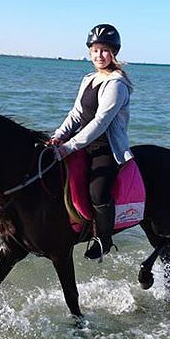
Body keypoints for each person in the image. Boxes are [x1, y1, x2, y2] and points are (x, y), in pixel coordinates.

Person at [49, 24, 134, 260]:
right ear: (89, 52)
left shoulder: (117, 84)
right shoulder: (88, 79)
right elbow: (76, 114)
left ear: (114, 53)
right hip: (80, 144)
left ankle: (104, 239)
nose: (99, 55)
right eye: (95, 50)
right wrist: (58, 136)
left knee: (98, 192)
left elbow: (100, 122)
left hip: (105, 149)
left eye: (105, 50)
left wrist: (68, 147)